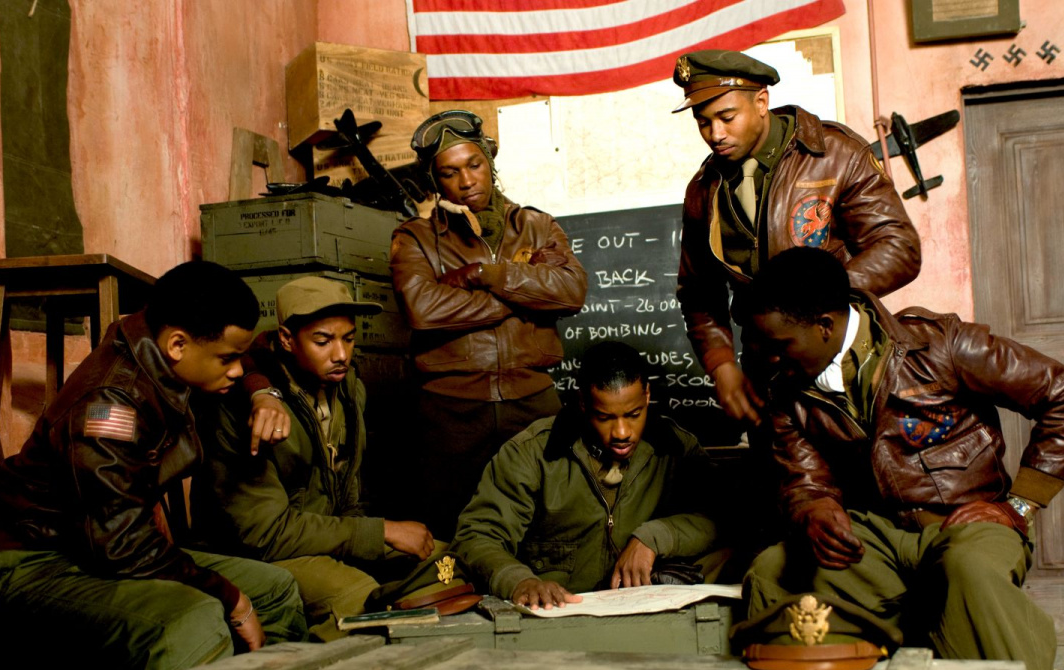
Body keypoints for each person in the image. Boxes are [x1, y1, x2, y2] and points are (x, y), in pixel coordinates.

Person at [738, 247, 1064, 670]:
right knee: (774, 573)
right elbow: (803, 477)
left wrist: (1021, 504)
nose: (766, 357)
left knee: (970, 574)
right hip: (877, 536)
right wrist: (815, 509)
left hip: (966, 525)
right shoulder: (785, 384)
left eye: (779, 343)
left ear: (825, 325)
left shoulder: (941, 345)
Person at [0, 261, 306, 670]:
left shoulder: (156, 341)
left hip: (85, 547)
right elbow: (121, 545)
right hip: (13, 563)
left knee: (274, 589)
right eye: (226, 359)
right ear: (178, 345)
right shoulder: (110, 403)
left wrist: (262, 393)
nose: (236, 369)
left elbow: (245, 355)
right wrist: (231, 598)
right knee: (192, 618)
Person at [672, 49, 922, 425]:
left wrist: (812, 301)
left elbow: (900, 248)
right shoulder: (703, 190)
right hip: (766, 380)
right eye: (703, 122)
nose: (715, 134)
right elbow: (699, 294)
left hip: (847, 361)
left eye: (727, 117)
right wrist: (721, 364)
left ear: (761, 102)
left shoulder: (835, 154)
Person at [190, 275, 435, 639]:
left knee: (442, 562)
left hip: (324, 538)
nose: (341, 354)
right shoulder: (244, 405)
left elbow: (347, 495)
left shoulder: (348, 388)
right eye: (323, 341)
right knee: (360, 598)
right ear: (287, 339)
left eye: (348, 338)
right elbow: (265, 534)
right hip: (260, 554)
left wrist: (374, 537)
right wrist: (378, 532)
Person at [391, 109, 589, 539]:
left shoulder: (537, 226)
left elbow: (572, 291)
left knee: (552, 519)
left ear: (490, 162)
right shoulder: (414, 237)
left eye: (474, 165)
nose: (466, 181)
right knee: (451, 528)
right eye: (450, 173)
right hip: (451, 409)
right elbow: (422, 309)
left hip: (533, 399)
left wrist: (488, 275)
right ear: (435, 180)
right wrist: (523, 298)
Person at [450, 341, 719, 610]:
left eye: (634, 414)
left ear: (647, 395)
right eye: (605, 417)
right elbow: (476, 537)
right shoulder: (531, 454)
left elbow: (721, 516)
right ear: (582, 402)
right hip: (557, 616)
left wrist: (654, 537)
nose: (622, 432)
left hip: (649, 612)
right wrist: (519, 581)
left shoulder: (676, 448)